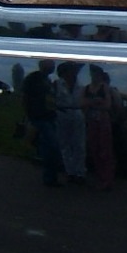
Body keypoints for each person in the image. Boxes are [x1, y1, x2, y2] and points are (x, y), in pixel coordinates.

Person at [20, 59, 61, 187]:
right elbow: (25, 96)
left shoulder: (47, 80)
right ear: (43, 65)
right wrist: (28, 114)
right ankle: (49, 176)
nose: (53, 66)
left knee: (47, 146)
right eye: (50, 63)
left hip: (49, 116)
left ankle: (49, 177)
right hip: (39, 117)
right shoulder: (33, 79)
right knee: (52, 146)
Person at [82, 65, 116, 190]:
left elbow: (107, 105)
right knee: (94, 148)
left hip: (102, 121)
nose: (94, 76)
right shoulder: (86, 88)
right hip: (91, 121)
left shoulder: (104, 88)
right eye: (92, 73)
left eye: (96, 73)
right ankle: (100, 177)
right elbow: (81, 103)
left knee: (105, 150)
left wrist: (92, 103)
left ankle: (107, 179)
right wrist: (94, 102)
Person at [55, 61, 88, 183]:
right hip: (62, 113)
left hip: (77, 112)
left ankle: (80, 172)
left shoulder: (81, 86)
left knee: (79, 143)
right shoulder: (57, 84)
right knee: (65, 143)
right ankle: (70, 171)